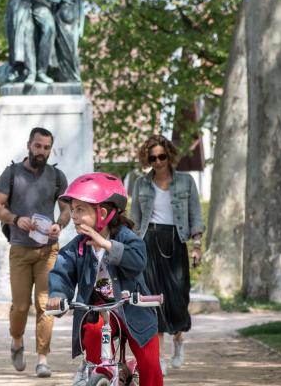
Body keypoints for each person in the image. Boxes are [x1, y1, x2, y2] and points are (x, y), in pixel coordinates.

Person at [47, 172, 163, 386]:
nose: (73, 215)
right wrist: (57, 294)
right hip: (100, 310)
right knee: (92, 330)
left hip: (133, 309)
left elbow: (138, 260)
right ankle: (101, 375)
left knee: (150, 365)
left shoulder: (125, 236)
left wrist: (107, 245)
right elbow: (62, 270)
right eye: (72, 210)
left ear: (102, 212)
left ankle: (133, 371)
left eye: (80, 209)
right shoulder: (78, 246)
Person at [0, 127, 70, 378]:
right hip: (20, 250)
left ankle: (43, 359)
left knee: (46, 304)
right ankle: (16, 341)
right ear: (29, 145)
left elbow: (67, 210)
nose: (42, 151)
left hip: (48, 250)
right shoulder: (12, 173)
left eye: (46, 148)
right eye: (38, 146)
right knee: (21, 306)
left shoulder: (57, 176)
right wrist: (15, 219)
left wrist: (61, 223)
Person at [130, 134, 204, 376]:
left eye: (162, 156)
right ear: (147, 159)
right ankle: (158, 357)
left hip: (176, 241)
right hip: (149, 241)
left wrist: (197, 246)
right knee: (153, 298)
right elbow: (134, 220)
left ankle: (179, 341)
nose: (158, 162)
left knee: (178, 298)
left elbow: (196, 215)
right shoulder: (141, 183)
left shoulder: (185, 182)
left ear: (169, 155)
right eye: (152, 158)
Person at [50, 0, 84, 82]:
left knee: (71, 51)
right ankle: (62, 76)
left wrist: (81, 27)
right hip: (59, 21)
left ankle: (74, 76)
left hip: (72, 24)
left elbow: (81, 9)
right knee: (59, 50)